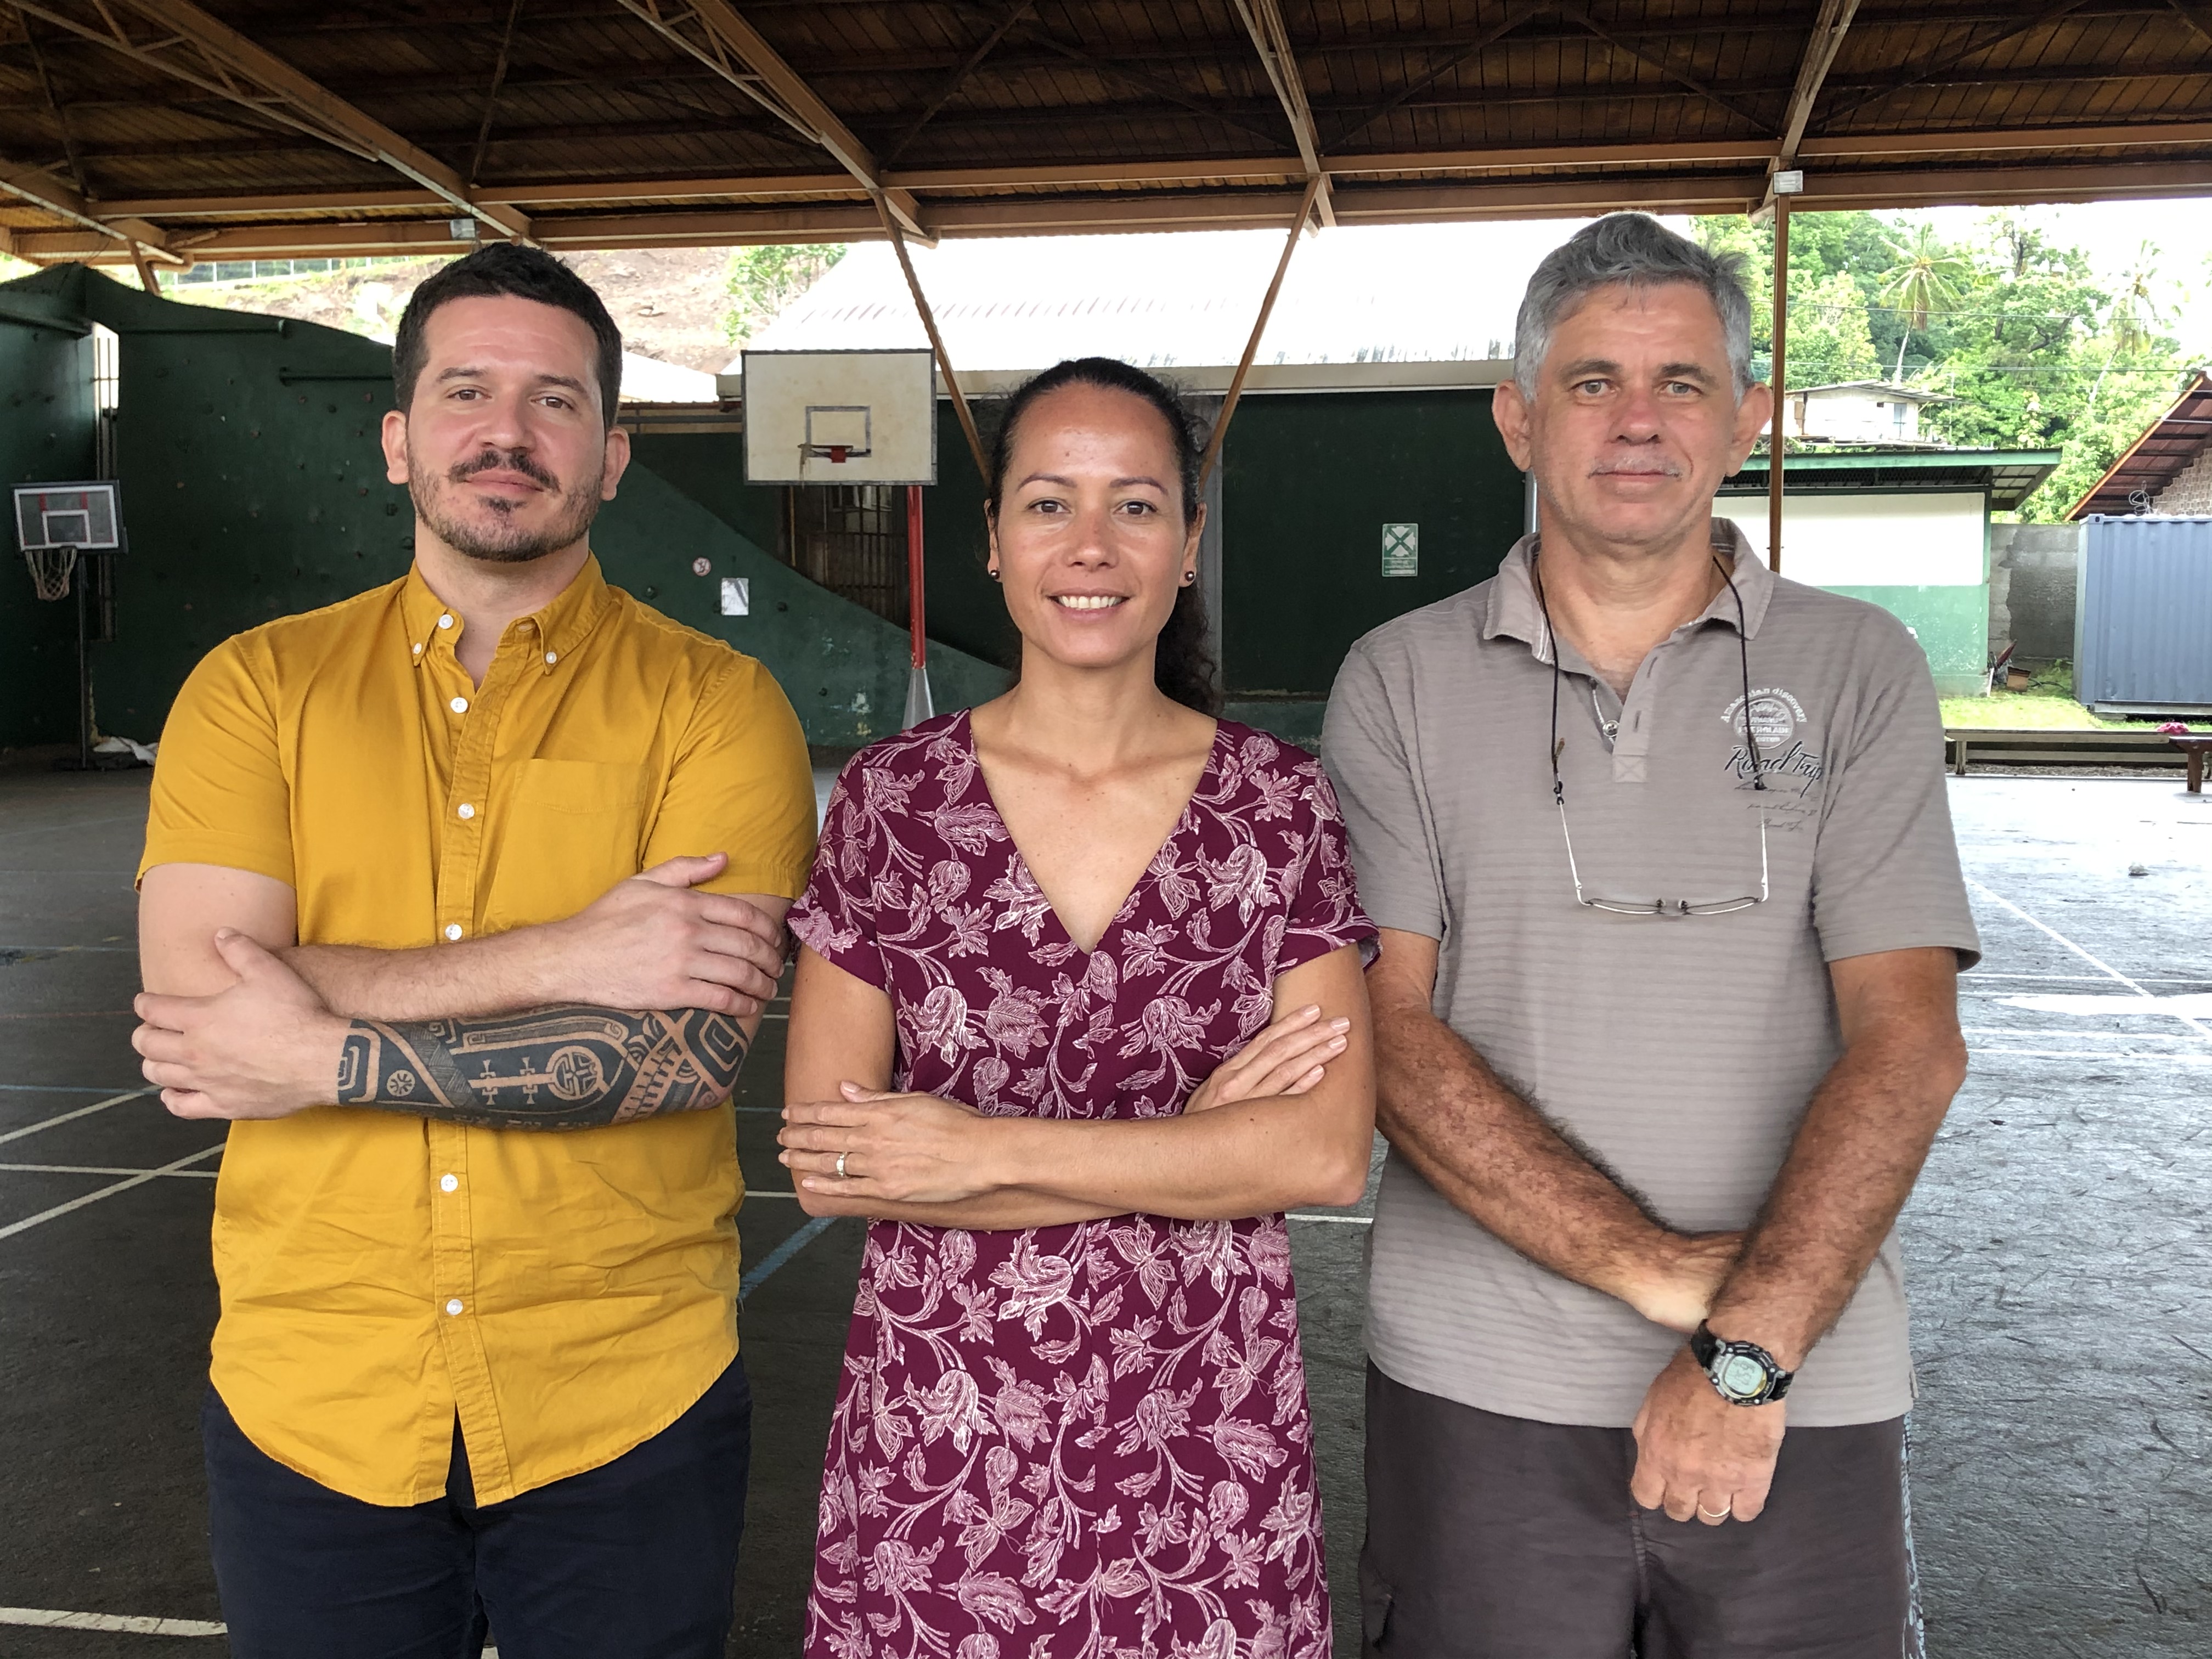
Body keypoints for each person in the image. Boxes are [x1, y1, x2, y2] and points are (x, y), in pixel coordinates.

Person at [128, 244, 816, 1658]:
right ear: (397, 438)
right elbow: (204, 1004)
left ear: (614, 455)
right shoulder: (256, 687)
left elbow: (679, 1052)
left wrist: (317, 1047)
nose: (507, 433)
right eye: (465, 392)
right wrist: (574, 951)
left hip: (622, 1391)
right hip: (315, 1392)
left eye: (556, 402)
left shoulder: (720, 703)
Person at [1322, 213, 1980, 1657]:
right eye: (1591, 381)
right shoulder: (1398, 681)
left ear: (1746, 415)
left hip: (1803, 1386)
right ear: (1516, 418)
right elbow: (1392, 1032)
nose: (1638, 422)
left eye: (1683, 383)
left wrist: (1746, 1351)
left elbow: (1909, 1040)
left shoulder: (1860, 666)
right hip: (1476, 1385)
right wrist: (1670, 1280)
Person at [777, 357, 1376, 1658]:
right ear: (993, 542)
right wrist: (1193, 1150)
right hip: (944, 1435)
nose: (1091, 546)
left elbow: (1320, 1155)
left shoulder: (1279, 806)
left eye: (1138, 506)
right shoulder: (892, 802)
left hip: (1207, 1442)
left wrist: (977, 1148)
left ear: (1189, 542)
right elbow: (832, 1162)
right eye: (1048, 504)